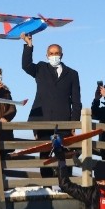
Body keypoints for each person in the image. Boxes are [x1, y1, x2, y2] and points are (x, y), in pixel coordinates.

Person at [20, 33, 81, 179]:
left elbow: (76, 100)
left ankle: (67, 185)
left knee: (65, 155)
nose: (54, 56)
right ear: (47, 55)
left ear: (62, 55)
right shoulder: (40, 68)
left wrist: (74, 123)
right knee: (45, 155)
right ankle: (46, 186)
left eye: (57, 53)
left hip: (64, 121)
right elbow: (26, 65)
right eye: (51, 53)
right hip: (43, 119)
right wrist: (29, 46)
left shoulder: (72, 74)